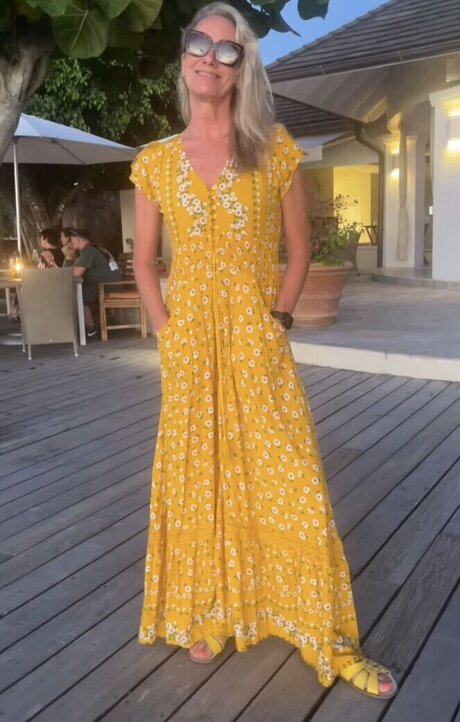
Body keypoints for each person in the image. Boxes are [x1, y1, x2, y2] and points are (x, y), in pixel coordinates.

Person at [129, 2, 397, 700]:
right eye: (200, 42)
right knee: (202, 478)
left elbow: (300, 251)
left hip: (258, 342)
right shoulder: (156, 162)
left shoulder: (273, 148)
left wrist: (277, 321)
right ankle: (213, 608)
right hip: (191, 349)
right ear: (184, 54)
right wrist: (167, 330)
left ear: (242, 67)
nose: (209, 57)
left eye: (227, 49)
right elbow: (144, 261)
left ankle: (325, 634)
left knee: (293, 474)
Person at [70, 229, 122, 338]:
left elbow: (77, 273)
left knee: (78, 295)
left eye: (72, 241)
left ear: (78, 240)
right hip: (107, 284)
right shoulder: (93, 248)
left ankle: (91, 328)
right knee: (81, 291)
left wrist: (63, 272)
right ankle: (90, 327)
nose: (71, 244)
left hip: (108, 286)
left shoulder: (87, 251)